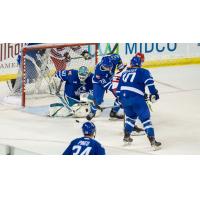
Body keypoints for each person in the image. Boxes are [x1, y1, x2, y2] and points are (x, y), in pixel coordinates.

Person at [116, 56, 161, 150]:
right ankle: (153, 143)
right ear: (140, 64)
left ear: (131, 64)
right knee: (146, 119)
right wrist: (154, 94)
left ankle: (126, 137)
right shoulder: (143, 71)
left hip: (124, 99)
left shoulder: (124, 73)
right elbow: (150, 83)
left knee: (131, 118)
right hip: (136, 99)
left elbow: (118, 90)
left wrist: (120, 101)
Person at [86, 54, 124, 121]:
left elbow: (118, 57)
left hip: (110, 79)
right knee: (98, 100)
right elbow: (110, 86)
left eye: (110, 66)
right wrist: (117, 94)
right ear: (102, 65)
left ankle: (114, 112)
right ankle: (92, 112)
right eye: (107, 67)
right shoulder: (98, 72)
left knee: (121, 95)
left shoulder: (113, 58)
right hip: (98, 82)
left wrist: (120, 65)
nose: (109, 69)